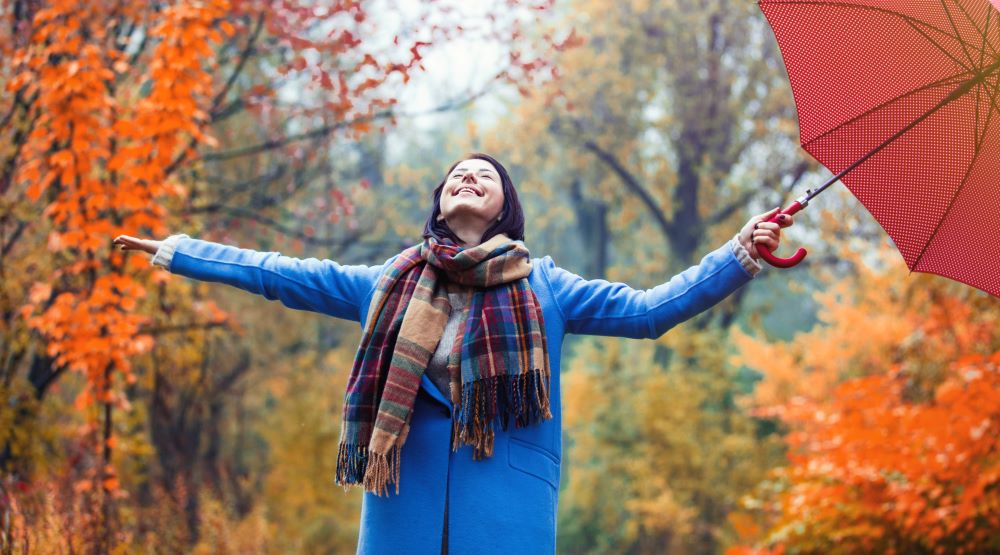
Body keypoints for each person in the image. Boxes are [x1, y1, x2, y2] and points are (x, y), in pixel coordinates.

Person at [112, 152, 792, 555]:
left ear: (503, 209)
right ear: (441, 200)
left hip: (506, 511)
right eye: (457, 173)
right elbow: (283, 272)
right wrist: (180, 253)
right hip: (400, 509)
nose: (467, 176)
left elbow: (649, 311)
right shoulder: (389, 283)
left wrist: (740, 252)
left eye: (483, 175)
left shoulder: (546, 286)